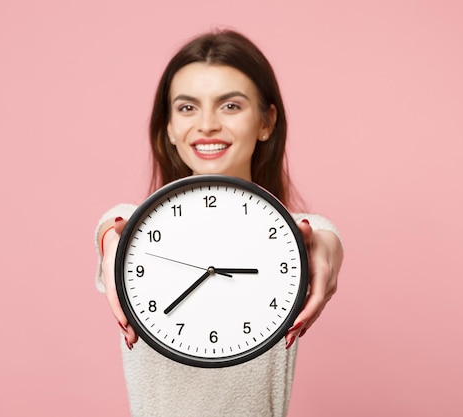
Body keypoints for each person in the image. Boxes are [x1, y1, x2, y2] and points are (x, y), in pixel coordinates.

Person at [94, 29, 344, 417]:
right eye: (188, 108)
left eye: (230, 106)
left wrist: (323, 251)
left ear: (266, 122)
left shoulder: (298, 233)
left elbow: (324, 241)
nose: (207, 124)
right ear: (169, 129)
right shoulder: (133, 228)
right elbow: (112, 229)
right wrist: (113, 240)